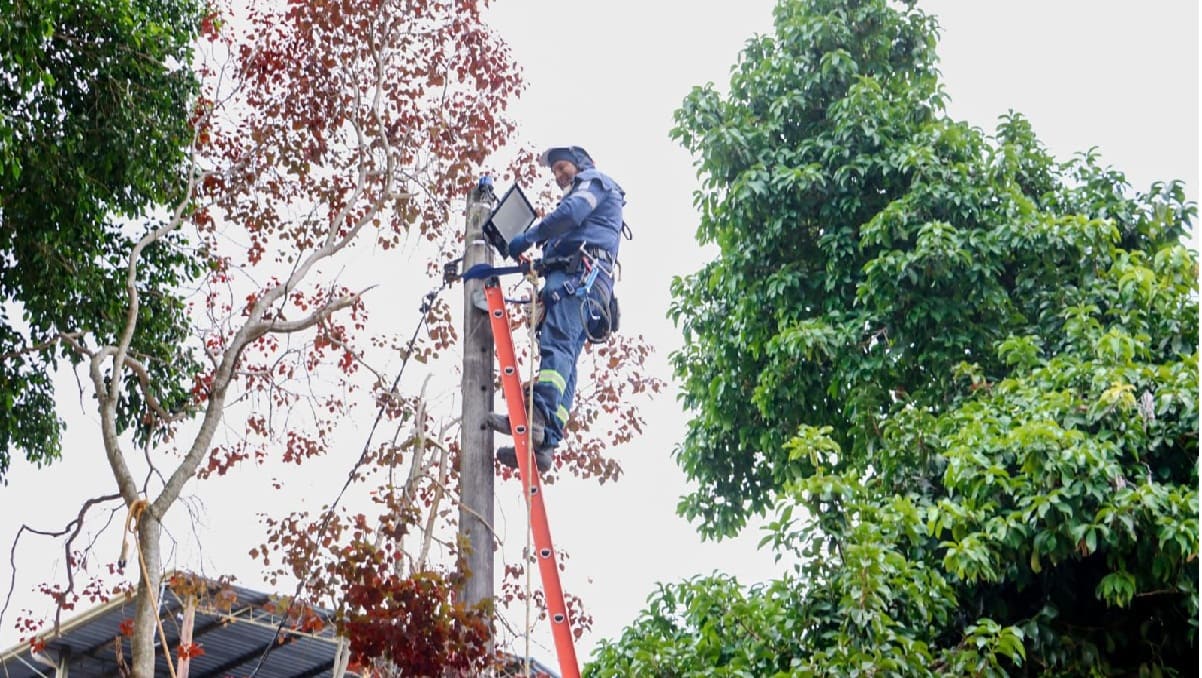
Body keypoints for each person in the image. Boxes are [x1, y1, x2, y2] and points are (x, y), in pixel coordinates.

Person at [490, 145, 625, 473]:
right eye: (555, 172)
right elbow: (569, 235)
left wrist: (532, 235)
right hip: (582, 284)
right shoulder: (588, 197)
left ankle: (537, 418)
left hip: (579, 281)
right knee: (567, 361)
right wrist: (537, 258)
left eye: (562, 167)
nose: (559, 175)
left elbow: (570, 214)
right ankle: (547, 443)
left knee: (558, 348)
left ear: (580, 163)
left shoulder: (594, 183)